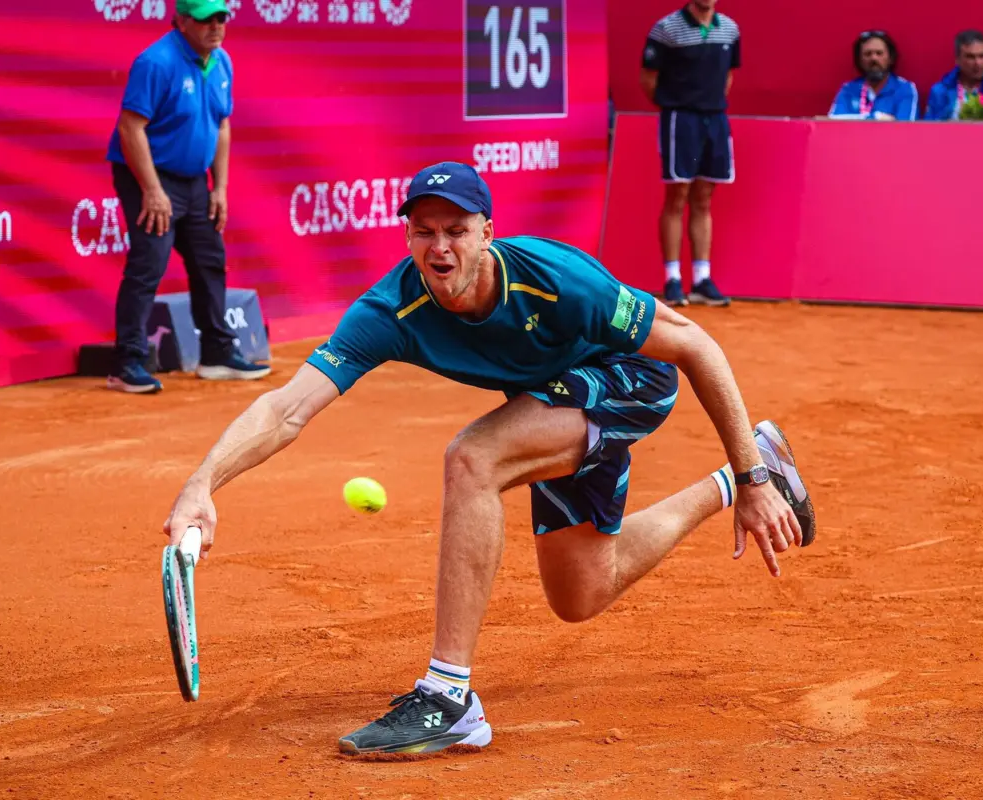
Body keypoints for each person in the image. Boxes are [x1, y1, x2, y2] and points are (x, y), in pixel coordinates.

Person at [162, 161, 817, 756]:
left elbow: (696, 345)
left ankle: (448, 698)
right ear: (407, 236)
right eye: (424, 231)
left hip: (632, 379)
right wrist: (202, 483)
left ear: (487, 234)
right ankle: (727, 481)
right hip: (553, 400)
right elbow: (286, 409)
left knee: (474, 457)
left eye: (457, 230)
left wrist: (757, 482)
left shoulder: (557, 281)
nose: (440, 247)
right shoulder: (392, 309)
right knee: (582, 593)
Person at [106, 0, 270, 394]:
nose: (215, 26)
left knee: (209, 259)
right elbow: (130, 128)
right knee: (149, 263)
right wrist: (152, 190)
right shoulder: (156, 62)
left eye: (221, 18)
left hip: (196, 180)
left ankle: (216, 353)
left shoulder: (222, 62)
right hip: (148, 175)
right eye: (204, 19)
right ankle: (127, 363)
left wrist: (220, 187)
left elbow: (222, 125)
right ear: (181, 21)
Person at [640, 0, 739, 308]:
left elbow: (727, 77)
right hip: (680, 120)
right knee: (677, 195)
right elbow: (649, 80)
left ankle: (701, 279)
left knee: (704, 198)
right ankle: (672, 279)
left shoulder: (730, 29)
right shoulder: (666, 29)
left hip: (715, 119)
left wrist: (707, 104)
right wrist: (678, 105)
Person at [828, 31, 919, 121]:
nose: (874, 58)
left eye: (879, 53)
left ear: (890, 58)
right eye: (868, 54)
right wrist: (876, 117)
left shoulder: (905, 88)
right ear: (859, 60)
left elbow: (906, 127)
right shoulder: (848, 89)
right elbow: (834, 123)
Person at [925, 30, 983, 121]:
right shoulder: (940, 91)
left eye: (981, 56)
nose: (978, 63)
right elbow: (928, 126)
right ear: (957, 59)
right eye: (970, 57)